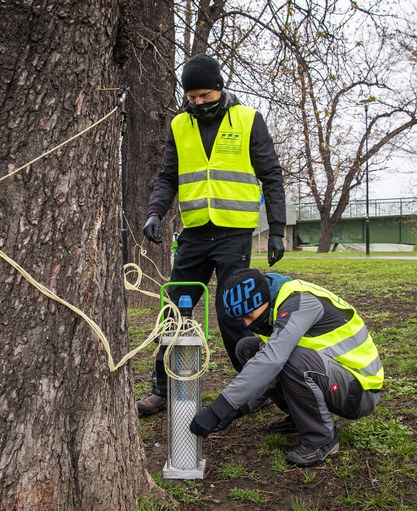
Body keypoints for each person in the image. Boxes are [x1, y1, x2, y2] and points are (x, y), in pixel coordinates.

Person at [137, 54, 287, 416]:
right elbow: (168, 176)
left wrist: (278, 230)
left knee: (233, 312)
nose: (198, 102)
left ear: (219, 88)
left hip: (233, 234)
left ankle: (254, 388)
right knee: (174, 308)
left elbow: (272, 175)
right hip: (194, 233)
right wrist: (155, 212)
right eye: (192, 97)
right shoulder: (178, 125)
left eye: (204, 95)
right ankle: (162, 387)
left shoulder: (248, 119)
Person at [188, 268, 383, 467]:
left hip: (359, 391)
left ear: (263, 300)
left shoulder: (299, 302)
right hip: (333, 376)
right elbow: (268, 372)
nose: (247, 324)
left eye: (249, 315)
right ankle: (302, 418)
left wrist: (218, 409)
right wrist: (235, 410)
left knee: (289, 359)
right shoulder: (273, 307)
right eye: (241, 320)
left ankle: (322, 439)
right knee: (247, 348)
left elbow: (274, 361)